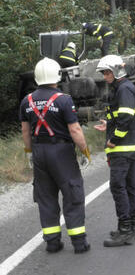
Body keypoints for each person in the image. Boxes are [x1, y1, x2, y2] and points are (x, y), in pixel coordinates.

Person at [19, 57, 91, 254]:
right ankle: (79, 243)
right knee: (72, 193)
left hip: (39, 152)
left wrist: (29, 153)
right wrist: (84, 150)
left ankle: (52, 242)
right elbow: (75, 130)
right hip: (61, 152)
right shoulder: (64, 100)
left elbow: (25, 132)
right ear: (57, 75)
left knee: (45, 196)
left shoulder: (27, 101)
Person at [94, 55, 135, 247]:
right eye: (104, 73)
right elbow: (122, 117)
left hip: (122, 149)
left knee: (118, 187)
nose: (105, 76)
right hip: (128, 147)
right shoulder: (124, 88)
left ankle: (125, 230)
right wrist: (109, 124)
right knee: (129, 187)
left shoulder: (123, 89)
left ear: (117, 71)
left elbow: (126, 118)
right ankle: (131, 228)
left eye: (107, 72)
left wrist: (113, 139)